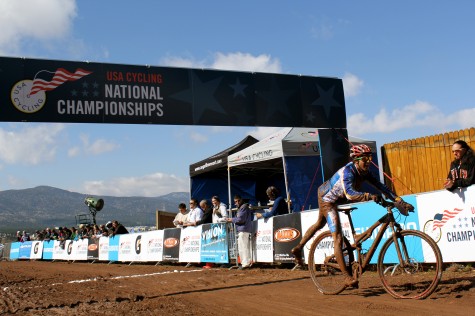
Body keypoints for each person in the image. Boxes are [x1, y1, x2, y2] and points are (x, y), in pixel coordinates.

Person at [291, 144, 414, 287]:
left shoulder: (364, 171)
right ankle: (346, 277)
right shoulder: (348, 172)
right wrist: (369, 196)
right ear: (356, 160)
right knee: (337, 237)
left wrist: (399, 200)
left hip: (337, 197)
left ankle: (299, 247)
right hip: (327, 200)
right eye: (365, 159)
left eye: (370, 158)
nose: (368, 162)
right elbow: (350, 194)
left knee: (320, 223)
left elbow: (382, 187)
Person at [226, 195, 253, 269]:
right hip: (243, 229)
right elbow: (240, 218)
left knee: (243, 247)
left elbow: (241, 219)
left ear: (241, 200)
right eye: (235, 201)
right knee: (243, 247)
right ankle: (245, 263)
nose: (237, 202)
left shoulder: (243, 207)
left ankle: (245, 264)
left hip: (243, 229)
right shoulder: (242, 207)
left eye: (238, 201)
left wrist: (231, 220)